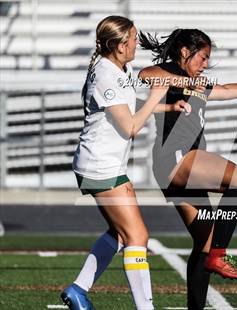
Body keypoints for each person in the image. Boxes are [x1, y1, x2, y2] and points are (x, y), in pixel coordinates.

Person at [138, 28, 237, 309]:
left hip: (175, 169)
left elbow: (225, 90)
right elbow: (145, 75)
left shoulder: (197, 81)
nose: (206, 64)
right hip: (176, 158)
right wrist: (183, 82)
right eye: (203, 56)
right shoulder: (171, 71)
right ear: (185, 51)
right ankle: (221, 254)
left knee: (204, 242)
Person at [60, 15, 169, 310]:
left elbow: (129, 105)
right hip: (100, 166)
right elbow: (129, 126)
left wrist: (168, 104)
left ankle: (78, 290)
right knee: (137, 235)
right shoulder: (106, 75)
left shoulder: (120, 67)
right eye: (133, 39)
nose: (136, 43)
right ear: (120, 45)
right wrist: (156, 96)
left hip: (107, 165)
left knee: (120, 235)